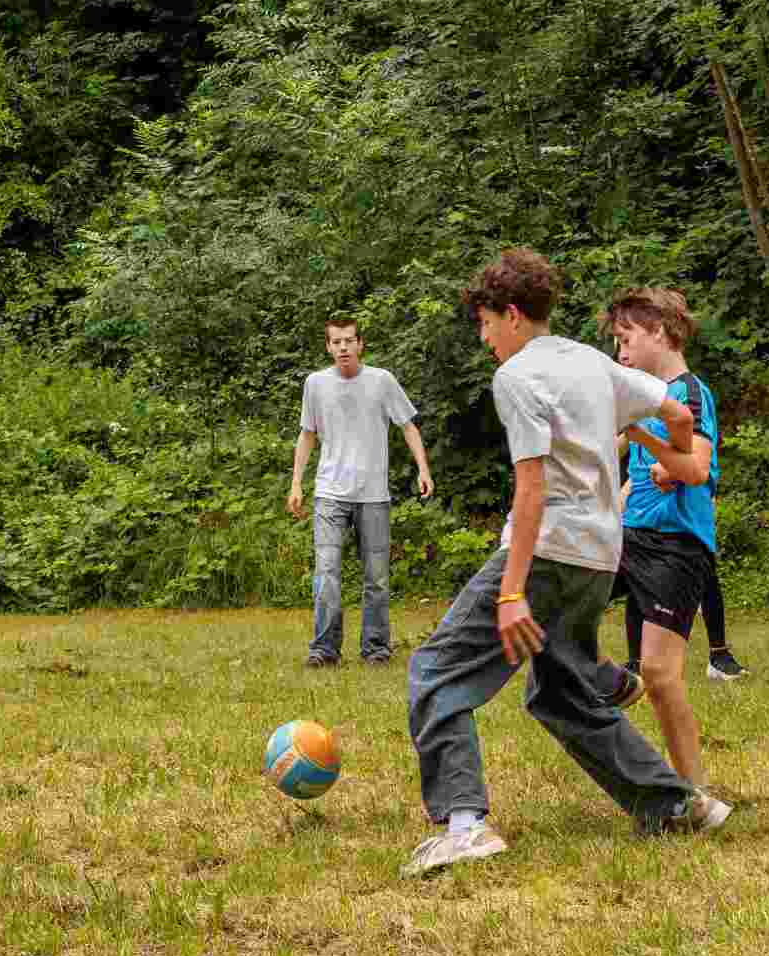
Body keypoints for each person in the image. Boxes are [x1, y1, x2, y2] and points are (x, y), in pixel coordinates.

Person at [401, 248, 726, 877]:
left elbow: (531, 487)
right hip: (599, 559)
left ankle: (464, 825)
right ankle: (675, 803)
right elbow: (679, 414)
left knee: (438, 670)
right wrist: (668, 452)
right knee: (562, 693)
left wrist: (511, 590)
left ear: (515, 315)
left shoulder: (518, 378)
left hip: (547, 553)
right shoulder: (591, 362)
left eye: (487, 322)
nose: (484, 336)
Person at [605, 289, 723, 797]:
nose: (620, 354)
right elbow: (618, 451)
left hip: (678, 546)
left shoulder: (691, 394)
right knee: (552, 603)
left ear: (659, 330)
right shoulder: (646, 394)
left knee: (659, 673)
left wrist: (659, 458)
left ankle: (694, 790)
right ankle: (608, 681)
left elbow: (695, 468)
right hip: (630, 537)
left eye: (626, 339)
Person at [284, 316, 432, 665]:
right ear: (328, 346)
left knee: (377, 579)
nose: (343, 348)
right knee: (326, 572)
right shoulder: (315, 384)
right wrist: (295, 483)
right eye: (336, 342)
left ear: (360, 343)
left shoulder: (382, 381)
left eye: (349, 340)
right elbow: (307, 434)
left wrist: (423, 469)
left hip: (373, 496)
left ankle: (376, 649)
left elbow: (408, 427)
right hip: (329, 494)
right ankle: (324, 650)